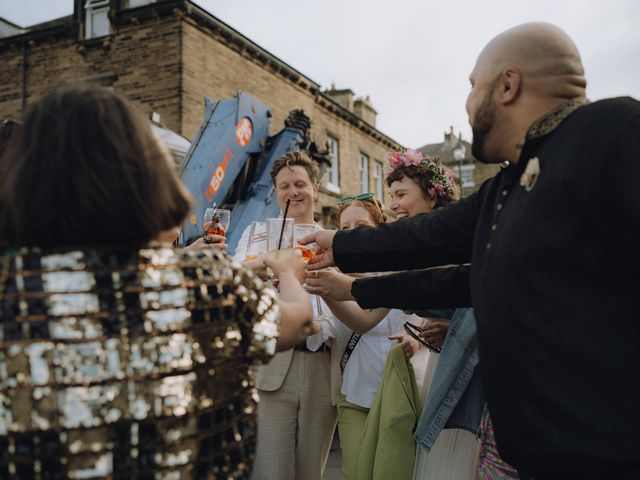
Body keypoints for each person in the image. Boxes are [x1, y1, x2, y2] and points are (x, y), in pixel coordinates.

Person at [302, 22, 640, 479]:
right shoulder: (506, 187)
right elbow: (438, 251)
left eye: (471, 86)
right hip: (528, 452)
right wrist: (341, 248)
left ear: (507, 85)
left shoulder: (614, 130)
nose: (467, 103)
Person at [0, 84, 314, 479]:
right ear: (147, 172)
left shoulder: (15, 293)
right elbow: (298, 319)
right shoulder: (209, 284)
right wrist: (287, 272)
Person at [233, 152, 337, 480]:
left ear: (315, 189)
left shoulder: (332, 239)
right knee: (270, 470)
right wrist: (269, 265)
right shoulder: (255, 233)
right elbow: (234, 276)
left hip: (321, 361)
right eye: (284, 186)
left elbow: (348, 296)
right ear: (275, 192)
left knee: (311, 471)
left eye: (300, 184)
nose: (293, 192)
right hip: (272, 361)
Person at [305, 193, 423, 479]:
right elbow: (346, 322)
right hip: (355, 395)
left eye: (361, 226)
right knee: (358, 473)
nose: (352, 234)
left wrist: (416, 341)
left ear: (379, 229)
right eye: (344, 229)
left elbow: (414, 322)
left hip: (399, 394)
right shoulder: (331, 274)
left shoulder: (400, 270)